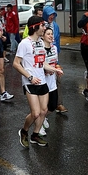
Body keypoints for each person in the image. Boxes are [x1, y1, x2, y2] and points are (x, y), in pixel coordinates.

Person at [13, 16, 63, 148]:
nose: (44, 29)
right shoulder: (24, 43)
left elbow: (43, 62)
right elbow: (16, 64)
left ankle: (35, 135)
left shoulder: (40, 43)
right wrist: (29, 77)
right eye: (42, 26)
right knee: (35, 113)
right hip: (30, 82)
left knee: (44, 110)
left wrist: (55, 69)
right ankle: (24, 131)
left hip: (42, 81)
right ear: (35, 27)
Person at [43, 5, 68, 113]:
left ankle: (58, 103)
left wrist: (56, 61)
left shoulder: (56, 26)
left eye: (53, 14)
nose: (51, 16)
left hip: (53, 55)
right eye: (49, 14)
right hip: (42, 56)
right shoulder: (41, 25)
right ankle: (43, 108)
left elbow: (57, 41)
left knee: (57, 79)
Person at [39, 27, 61, 136]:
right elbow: (37, 65)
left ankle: (43, 118)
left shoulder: (54, 48)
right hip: (42, 81)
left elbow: (55, 62)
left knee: (52, 105)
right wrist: (46, 70)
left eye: (52, 34)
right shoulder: (39, 48)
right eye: (48, 34)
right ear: (42, 36)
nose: (51, 36)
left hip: (52, 81)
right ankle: (39, 125)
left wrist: (58, 69)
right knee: (42, 107)